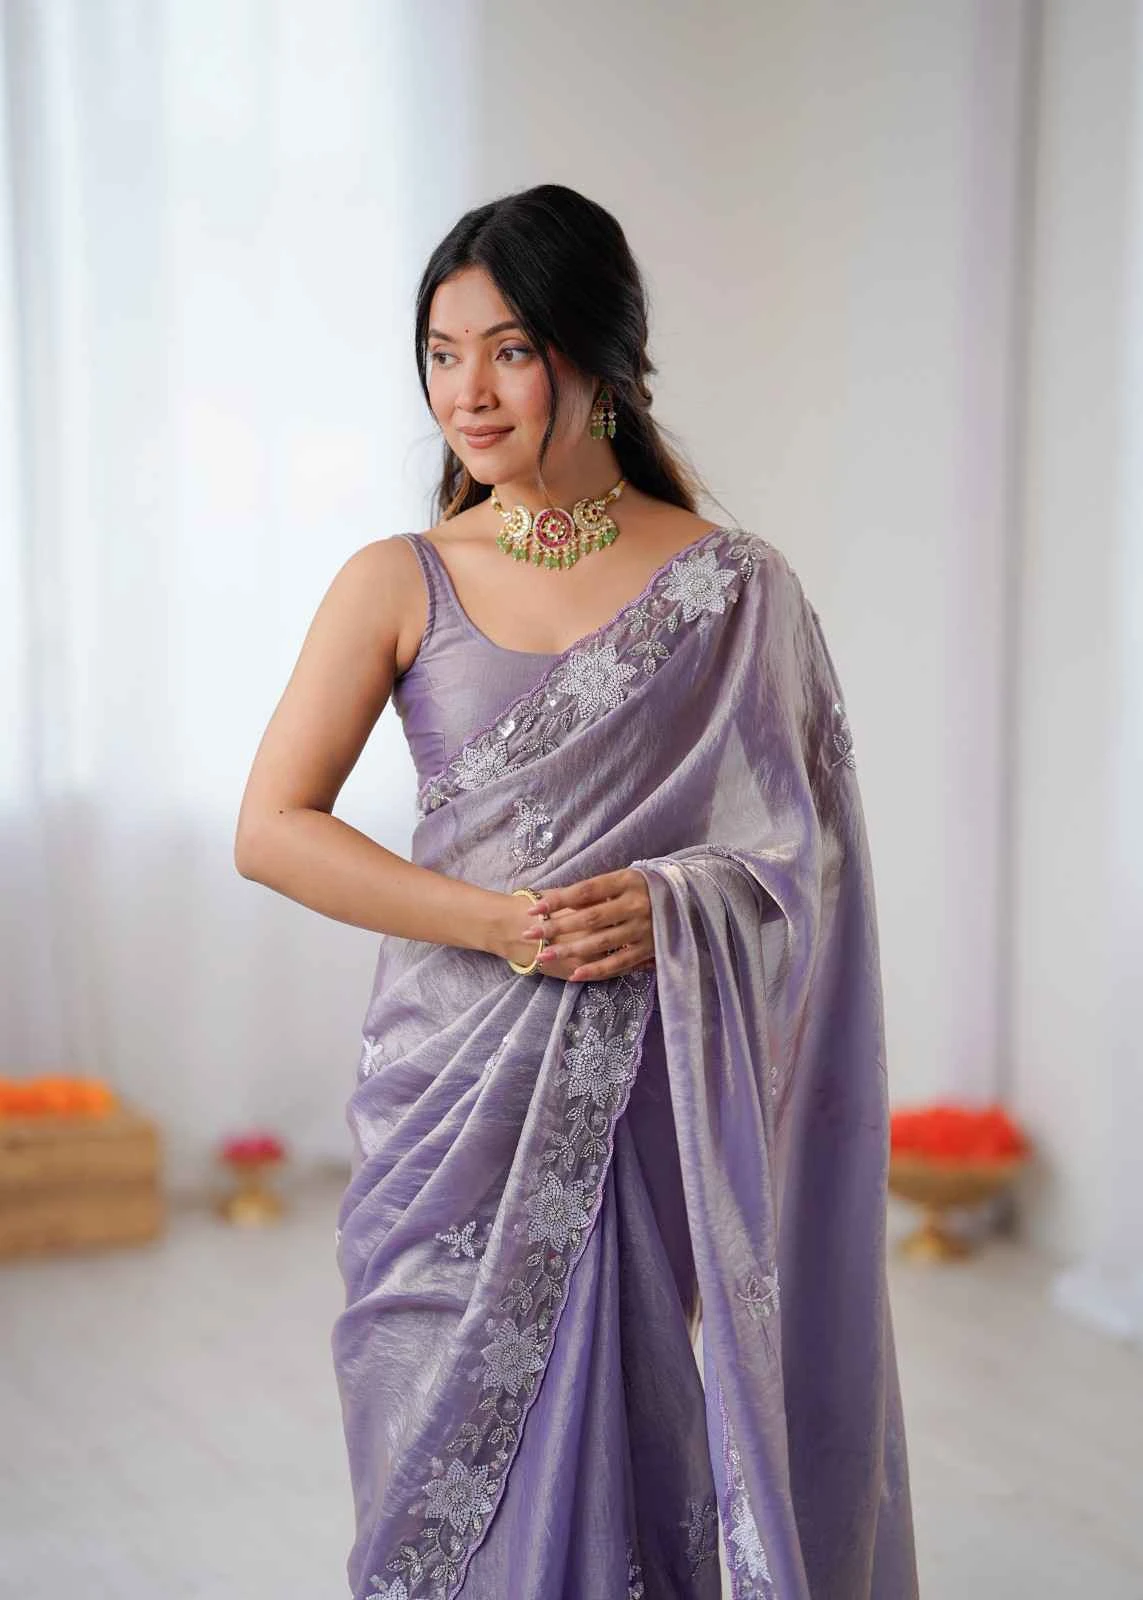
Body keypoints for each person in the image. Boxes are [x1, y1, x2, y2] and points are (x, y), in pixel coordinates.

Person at [235, 183, 918, 1600]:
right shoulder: (398, 579)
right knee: (432, 1475)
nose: (466, 393)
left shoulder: (736, 591)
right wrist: (497, 924)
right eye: (441, 353)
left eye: (509, 350)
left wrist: (673, 905)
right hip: (445, 1097)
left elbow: (812, 865)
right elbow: (272, 829)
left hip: (640, 1101)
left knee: (633, 1454)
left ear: (598, 357)